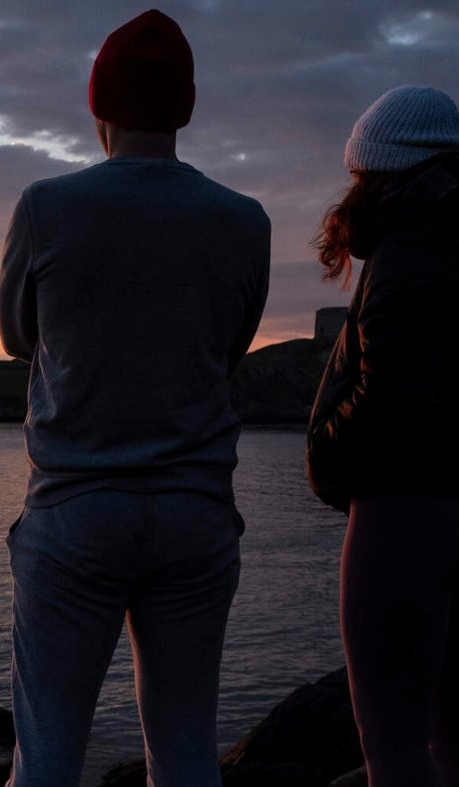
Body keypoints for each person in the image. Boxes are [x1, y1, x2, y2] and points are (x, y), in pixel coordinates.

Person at [0, 9, 271, 787]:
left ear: (98, 109)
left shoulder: (47, 205)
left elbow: (19, 337)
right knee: (186, 754)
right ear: (183, 108)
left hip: (76, 509)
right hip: (195, 510)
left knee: (45, 759)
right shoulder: (245, 220)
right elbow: (231, 343)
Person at [307, 85, 459, 787]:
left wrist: (329, 453)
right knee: (451, 734)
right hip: (442, 499)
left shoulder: (411, 249)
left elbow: (391, 397)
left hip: (401, 508)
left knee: (392, 741)